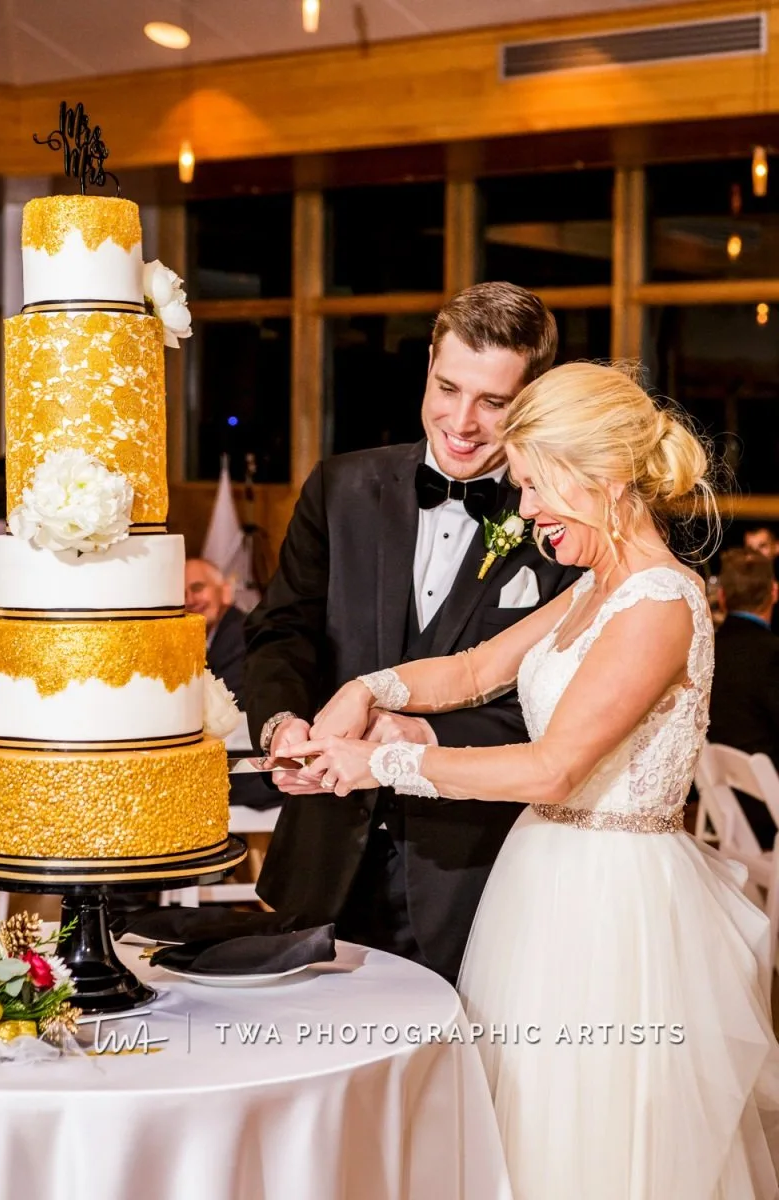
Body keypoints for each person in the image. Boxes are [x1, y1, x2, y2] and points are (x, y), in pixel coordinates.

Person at [287, 362, 779, 1198]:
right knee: (518, 1131)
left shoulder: (661, 601)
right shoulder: (595, 586)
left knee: (594, 1141)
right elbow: (477, 668)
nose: (525, 509)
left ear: (605, 477)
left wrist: (382, 762)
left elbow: (553, 765)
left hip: (615, 913)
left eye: (536, 485)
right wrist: (368, 690)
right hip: (540, 883)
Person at [243, 282, 579, 981]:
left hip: (472, 879)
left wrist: (418, 736)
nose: (461, 421)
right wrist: (281, 725)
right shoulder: (339, 488)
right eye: (447, 386)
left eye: (494, 402)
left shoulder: (563, 525)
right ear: (428, 360)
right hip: (325, 862)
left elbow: (553, 705)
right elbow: (283, 632)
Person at [709, 548, 779, 848]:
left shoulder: (706, 650)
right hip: (767, 811)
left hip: (723, 803)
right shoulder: (773, 654)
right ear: (774, 592)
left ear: (722, 597)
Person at [185, 557, 246, 708]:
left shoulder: (242, 634)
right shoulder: (199, 641)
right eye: (182, 594)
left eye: (197, 588)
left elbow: (227, 703)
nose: (190, 600)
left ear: (225, 591)